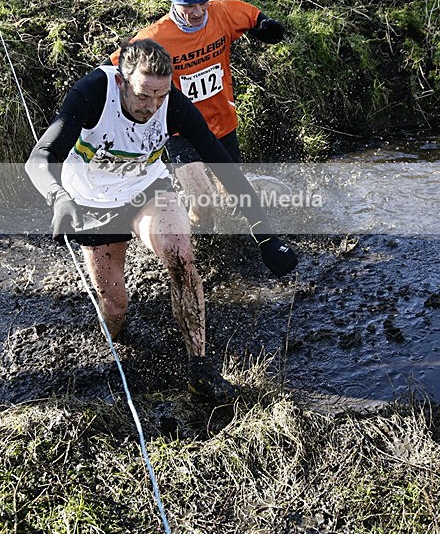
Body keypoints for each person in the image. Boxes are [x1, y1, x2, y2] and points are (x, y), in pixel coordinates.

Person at [26, 39, 297, 402]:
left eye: (160, 96)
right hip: (92, 200)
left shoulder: (172, 104)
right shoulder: (93, 91)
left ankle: (200, 368)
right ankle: (117, 344)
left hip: (146, 188)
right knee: (116, 305)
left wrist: (264, 234)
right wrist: (58, 199)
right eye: (143, 96)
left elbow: (223, 165)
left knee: (181, 254)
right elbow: (41, 155)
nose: (152, 108)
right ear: (123, 82)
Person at [109, 0, 286, 225]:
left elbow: (252, 16)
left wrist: (265, 26)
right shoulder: (156, 37)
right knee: (203, 201)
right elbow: (115, 66)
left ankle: (229, 243)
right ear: (174, 2)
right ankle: (196, 235)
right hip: (181, 129)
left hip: (222, 123)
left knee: (231, 199)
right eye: (189, 6)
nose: (197, 12)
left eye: (202, 4)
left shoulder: (221, 12)